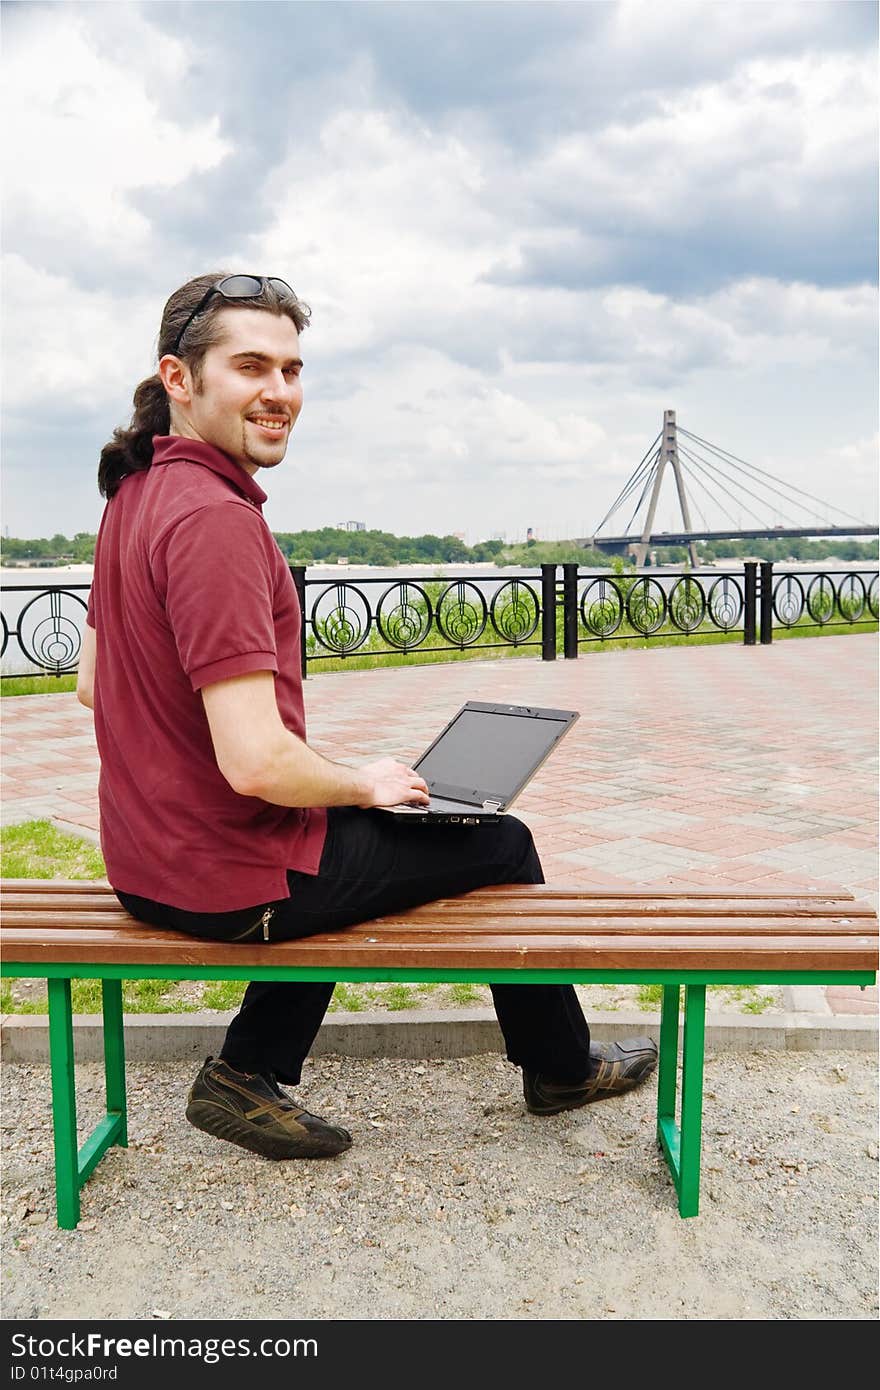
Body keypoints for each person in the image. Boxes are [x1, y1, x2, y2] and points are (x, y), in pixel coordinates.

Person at [77, 272, 657, 1163]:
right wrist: (362, 781)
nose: (280, 393)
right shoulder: (214, 522)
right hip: (229, 884)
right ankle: (562, 1068)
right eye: (251, 366)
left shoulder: (133, 494)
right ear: (180, 378)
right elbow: (257, 768)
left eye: (293, 370)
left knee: (345, 830)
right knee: (500, 842)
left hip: (145, 864)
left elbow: (90, 688)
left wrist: (337, 792)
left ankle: (251, 1068)